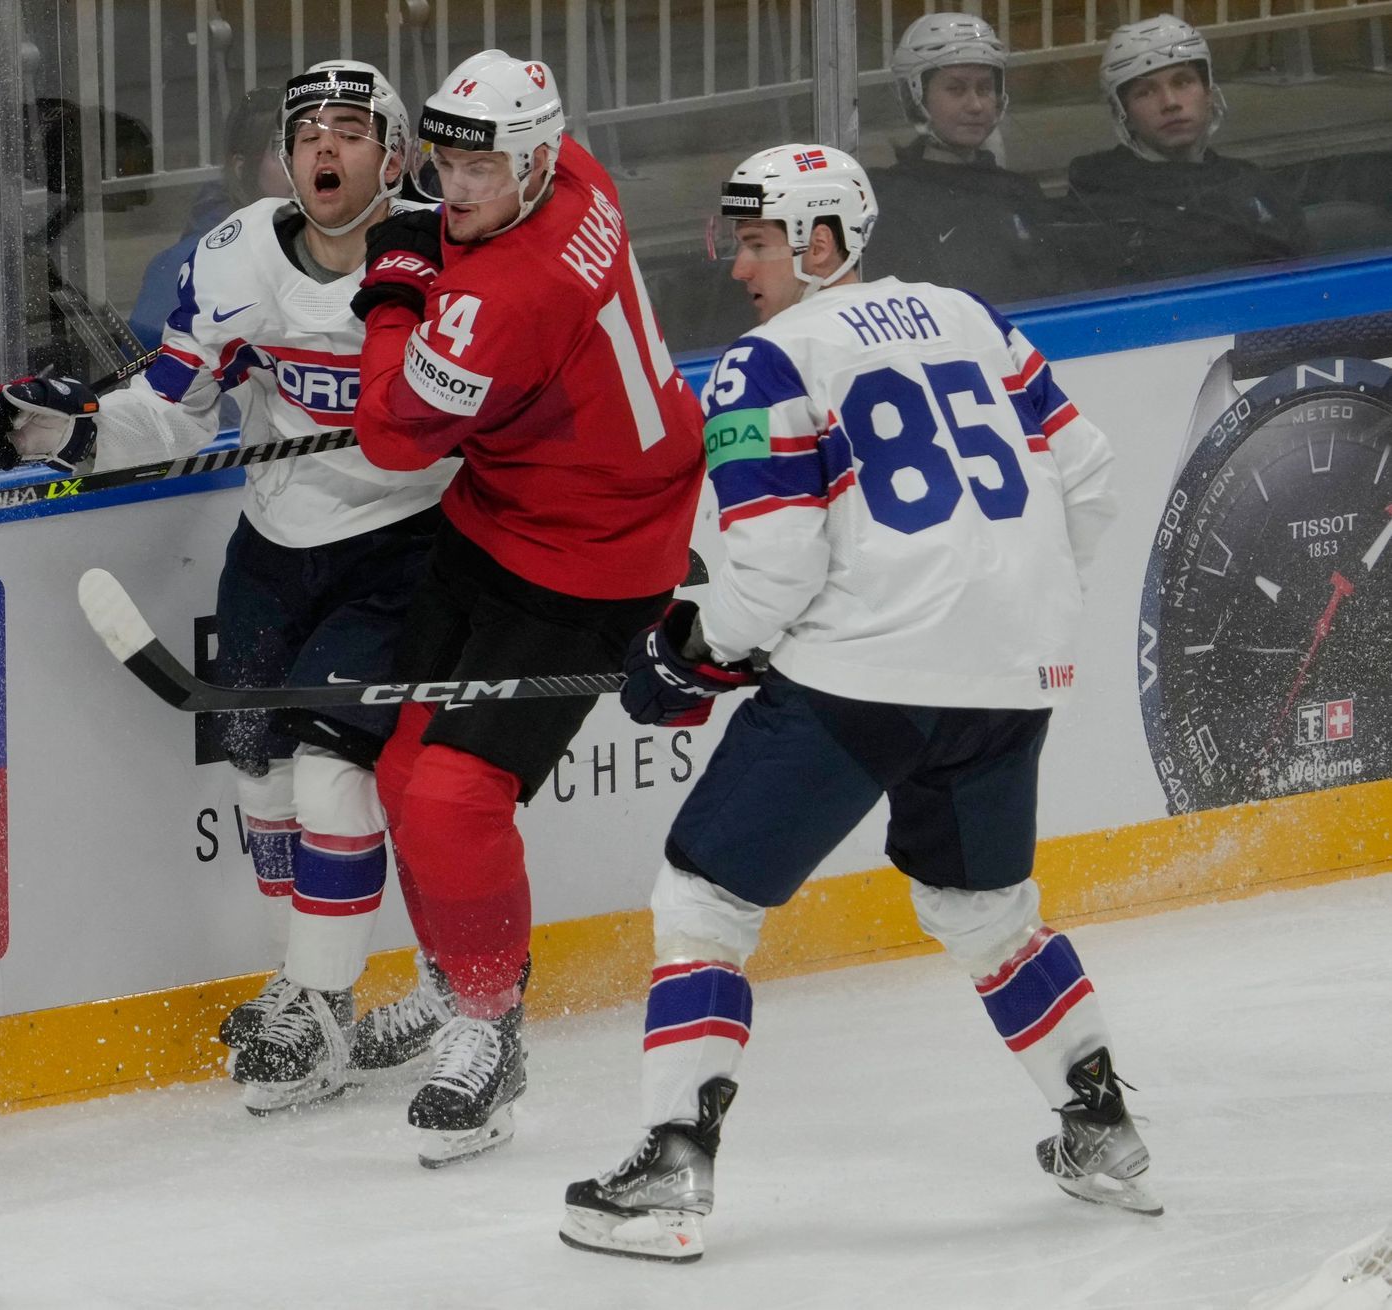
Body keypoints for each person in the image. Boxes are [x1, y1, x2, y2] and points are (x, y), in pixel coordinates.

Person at [556, 143, 1154, 1264]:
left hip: (860, 680)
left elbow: (774, 567)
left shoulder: (765, 362)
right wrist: (1001, 609)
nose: (737, 266)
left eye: (754, 241)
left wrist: (694, 653)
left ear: (819, 240)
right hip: (1010, 675)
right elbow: (1089, 474)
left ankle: (671, 1164)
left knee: (702, 900)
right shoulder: (972, 317)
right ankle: (1101, 1124)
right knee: (985, 910)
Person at [0, 60, 454, 1116]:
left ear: (393, 155)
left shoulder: (444, 252)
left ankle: (315, 1004)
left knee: (333, 771)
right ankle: (314, 991)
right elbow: (173, 405)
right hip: (274, 541)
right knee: (257, 771)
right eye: (307, 133)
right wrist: (67, 429)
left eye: (349, 129)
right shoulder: (238, 255)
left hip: (406, 544)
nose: (324, 149)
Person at [345, 49, 705, 1168]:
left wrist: (394, 283)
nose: (454, 188)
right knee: (404, 770)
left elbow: (387, 431)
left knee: (453, 790)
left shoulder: (521, 289)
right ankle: (458, 976)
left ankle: (490, 1027)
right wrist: (431, 230)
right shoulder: (574, 173)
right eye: (444, 162)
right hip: (506, 510)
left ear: (538, 157)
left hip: (595, 554)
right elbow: (462, 238)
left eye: (478, 169)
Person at [1065, 15, 1306, 286]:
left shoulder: (1254, 185)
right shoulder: (1096, 192)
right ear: (1123, 113)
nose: (1170, 103)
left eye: (1182, 82)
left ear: (1208, 93)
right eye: (1145, 92)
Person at [863, 12, 1069, 302]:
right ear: (915, 96)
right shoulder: (885, 198)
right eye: (956, 89)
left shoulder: (1019, 191)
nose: (976, 105)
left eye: (984, 88)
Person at [126, 86, 290, 352]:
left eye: (309, 142)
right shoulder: (189, 263)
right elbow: (139, 368)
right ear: (241, 166)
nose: (302, 162)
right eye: (283, 149)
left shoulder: (342, 243)